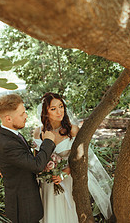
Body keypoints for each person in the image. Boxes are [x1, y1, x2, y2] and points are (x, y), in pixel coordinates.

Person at [33, 92, 112, 223]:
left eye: (61, 106)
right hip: (47, 183)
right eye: (53, 109)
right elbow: (36, 160)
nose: (59, 111)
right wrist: (45, 172)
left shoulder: (72, 130)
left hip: (68, 180)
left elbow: (81, 158)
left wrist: (64, 173)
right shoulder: (38, 132)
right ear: (45, 112)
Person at [0, 94, 56, 223]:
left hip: (25, 201)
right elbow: (37, 166)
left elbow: (20, 161)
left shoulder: (10, 134)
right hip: (23, 206)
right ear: (8, 119)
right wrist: (48, 141)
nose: (26, 116)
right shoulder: (8, 143)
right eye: (22, 114)